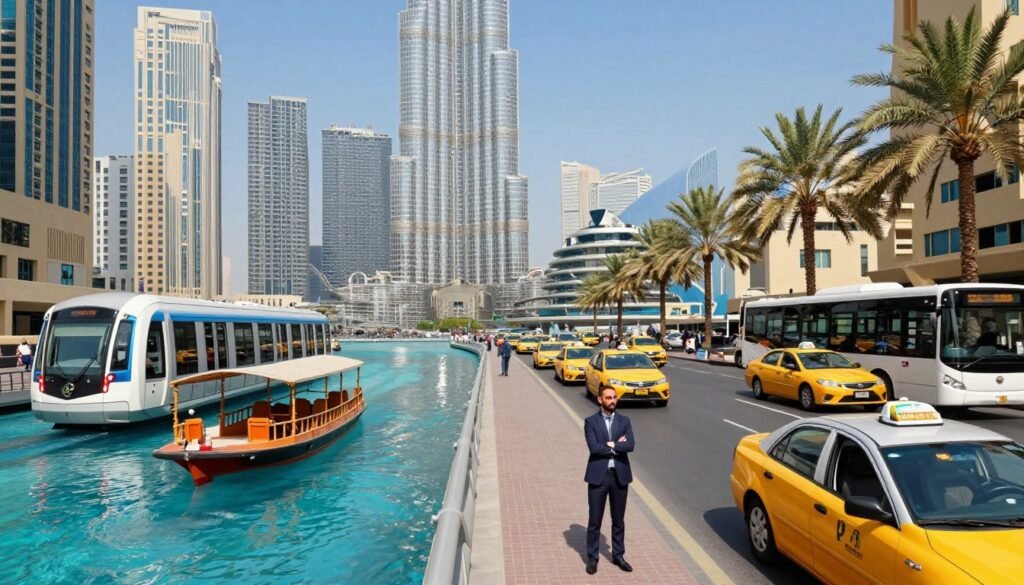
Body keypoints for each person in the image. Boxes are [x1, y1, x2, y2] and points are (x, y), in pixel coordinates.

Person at [583, 386, 635, 574]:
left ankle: (618, 555)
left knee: (618, 520)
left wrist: (611, 445)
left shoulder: (625, 421)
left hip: (620, 476)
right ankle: (592, 557)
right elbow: (593, 448)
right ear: (600, 400)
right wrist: (615, 445)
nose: (612, 400)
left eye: (614, 397)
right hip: (598, 476)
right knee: (595, 520)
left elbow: (630, 445)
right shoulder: (590, 422)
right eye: (608, 397)